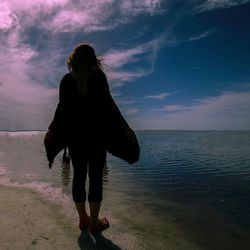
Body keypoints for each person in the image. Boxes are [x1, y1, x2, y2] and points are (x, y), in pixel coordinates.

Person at [45, 43, 134, 234]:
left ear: (73, 60)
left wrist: (52, 130)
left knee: (78, 178)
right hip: (96, 137)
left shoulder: (67, 80)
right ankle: (94, 223)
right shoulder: (98, 77)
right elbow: (109, 106)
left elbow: (62, 109)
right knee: (95, 179)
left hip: (75, 138)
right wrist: (125, 128)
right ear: (93, 60)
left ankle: (83, 219)